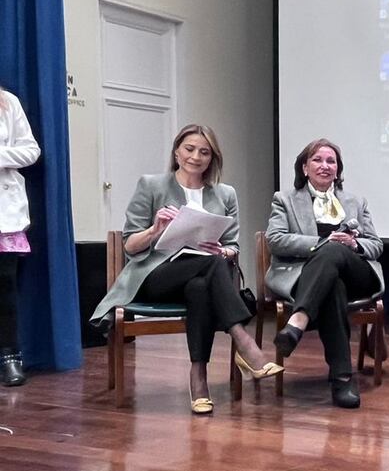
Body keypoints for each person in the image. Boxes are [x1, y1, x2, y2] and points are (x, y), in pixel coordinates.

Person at [90, 125, 282, 414]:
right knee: (210, 267)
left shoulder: (225, 194)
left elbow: (233, 246)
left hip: (202, 274)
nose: (196, 156)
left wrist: (224, 251)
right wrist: (156, 230)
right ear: (177, 151)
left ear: (212, 158)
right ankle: (243, 340)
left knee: (201, 285)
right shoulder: (152, 185)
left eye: (204, 152)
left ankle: (199, 378)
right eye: (190, 149)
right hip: (155, 274)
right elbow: (130, 246)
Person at [267, 138, 383, 409]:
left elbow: (376, 245)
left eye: (331, 161)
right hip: (310, 278)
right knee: (333, 285)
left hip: (358, 274)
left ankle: (297, 321)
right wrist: (321, 244)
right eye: (318, 160)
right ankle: (342, 380)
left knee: (334, 253)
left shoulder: (355, 201)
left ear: (338, 170)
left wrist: (353, 244)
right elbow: (275, 239)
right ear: (305, 167)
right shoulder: (284, 200)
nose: (325, 166)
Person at [0, 87, 41, 387]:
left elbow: (31, 150)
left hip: (4, 212)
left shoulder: (7, 101)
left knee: (5, 289)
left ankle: (10, 358)